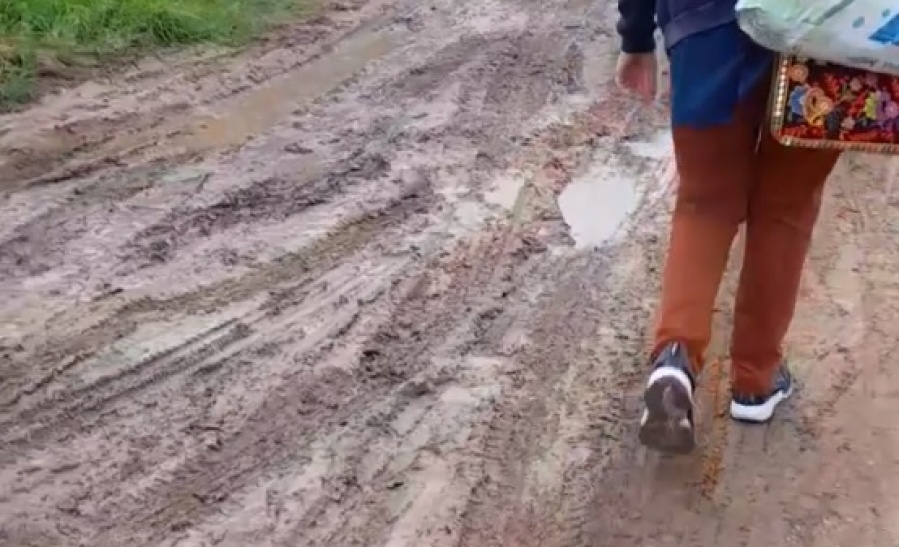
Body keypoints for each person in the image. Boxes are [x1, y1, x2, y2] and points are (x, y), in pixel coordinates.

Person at [615, 0, 842, 454]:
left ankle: (674, 358)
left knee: (704, 200)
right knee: (787, 206)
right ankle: (756, 379)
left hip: (707, 26)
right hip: (828, 29)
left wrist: (636, 36)